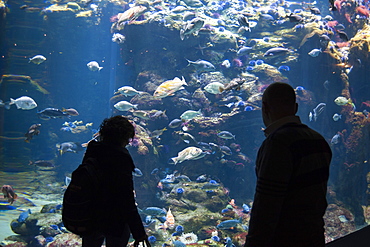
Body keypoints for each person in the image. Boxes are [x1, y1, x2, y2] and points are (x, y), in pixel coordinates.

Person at [244, 82, 332, 247]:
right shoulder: (319, 140)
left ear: (264, 107)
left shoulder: (277, 143)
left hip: (285, 240)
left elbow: (266, 207)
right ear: (296, 107)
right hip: (314, 236)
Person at [82, 115, 150, 247]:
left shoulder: (92, 150)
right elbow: (126, 198)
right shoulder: (121, 157)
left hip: (91, 215)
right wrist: (139, 233)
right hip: (115, 218)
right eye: (128, 139)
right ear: (123, 137)